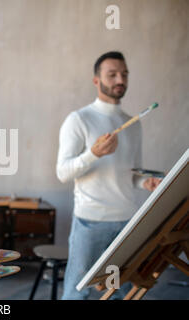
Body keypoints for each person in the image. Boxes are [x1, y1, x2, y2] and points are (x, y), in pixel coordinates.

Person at [56, 51, 162, 300]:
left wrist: (144, 182)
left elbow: (132, 173)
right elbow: (62, 173)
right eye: (112, 74)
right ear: (96, 80)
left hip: (127, 222)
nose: (120, 80)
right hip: (90, 223)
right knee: (77, 293)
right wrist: (93, 153)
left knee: (121, 293)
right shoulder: (79, 119)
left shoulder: (133, 123)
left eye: (124, 74)